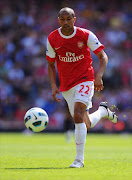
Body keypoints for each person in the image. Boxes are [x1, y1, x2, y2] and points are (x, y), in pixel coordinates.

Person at [46, 7, 117, 168]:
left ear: (74, 19)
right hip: (66, 85)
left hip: (85, 78)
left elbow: (103, 56)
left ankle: (79, 160)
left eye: (68, 19)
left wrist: (98, 76)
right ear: (59, 20)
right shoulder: (52, 38)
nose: (65, 22)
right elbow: (50, 64)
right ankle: (103, 112)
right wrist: (53, 85)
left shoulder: (85, 35)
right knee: (84, 122)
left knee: (77, 115)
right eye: (62, 19)